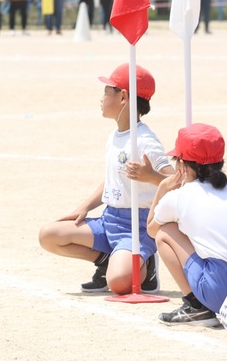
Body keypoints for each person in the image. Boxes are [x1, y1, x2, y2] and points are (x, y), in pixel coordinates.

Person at [38, 64, 173, 294]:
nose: (101, 99)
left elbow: (175, 181)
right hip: (109, 219)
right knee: (49, 235)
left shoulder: (145, 140)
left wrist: (150, 176)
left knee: (119, 283)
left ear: (124, 97)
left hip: (136, 227)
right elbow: (112, 181)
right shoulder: (114, 136)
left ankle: (146, 264)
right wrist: (84, 207)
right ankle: (105, 260)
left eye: (106, 92)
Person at [147, 124, 227, 326]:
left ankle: (196, 307)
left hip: (221, 293)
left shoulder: (178, 197)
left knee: (165, 231)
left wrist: (163, 187)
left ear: (181, 165)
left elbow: (151, 230)